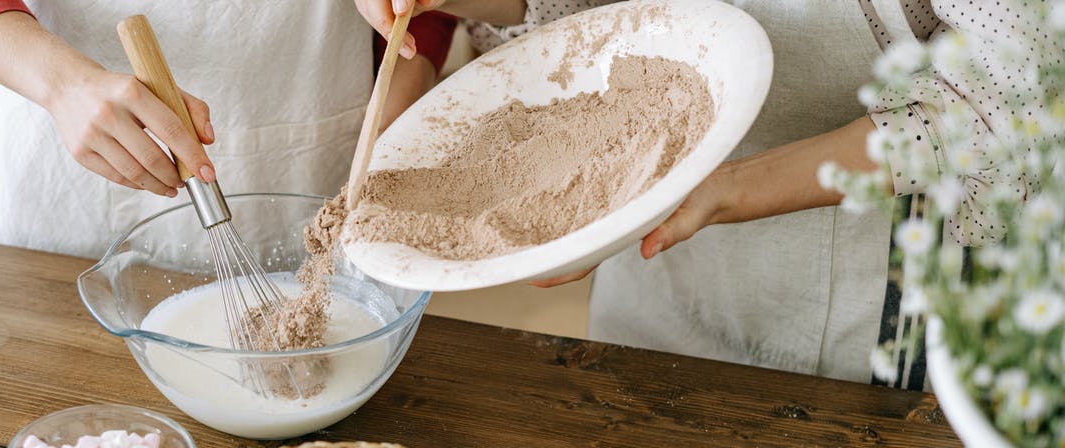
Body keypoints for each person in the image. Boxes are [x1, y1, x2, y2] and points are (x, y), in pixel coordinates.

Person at [359, 0, 1052, 390]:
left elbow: (1011, 101)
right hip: (657, 299)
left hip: (877, 331)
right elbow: (578, 12)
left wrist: (729, 188)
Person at [0, 0, 458, 259]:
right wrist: (63, 85)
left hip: (312, 125)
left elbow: (423, 12)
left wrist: (392, 119)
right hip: (59, 137)